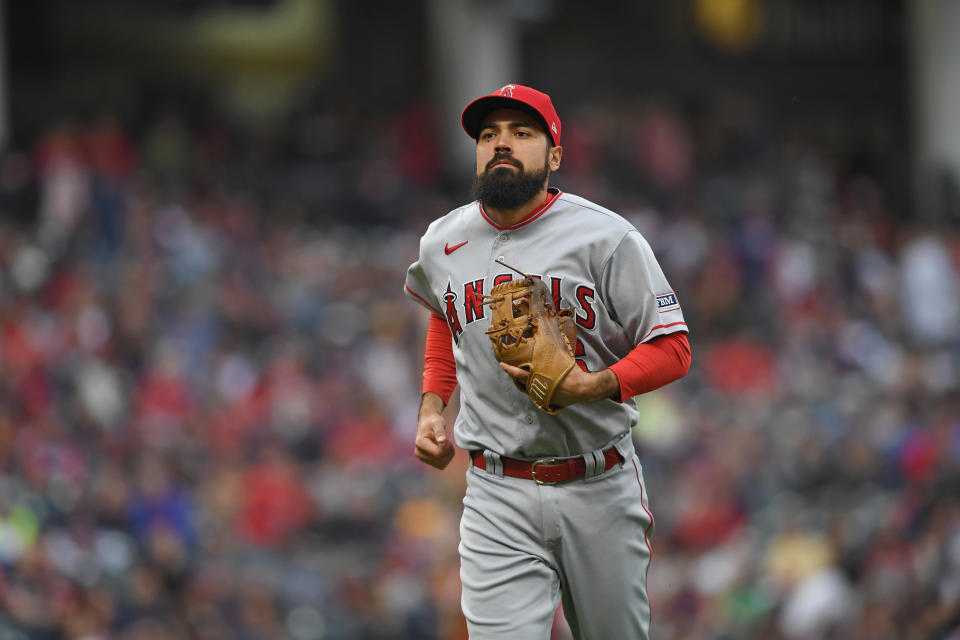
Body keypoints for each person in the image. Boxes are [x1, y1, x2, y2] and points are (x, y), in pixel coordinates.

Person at [403, 83, 692, 639]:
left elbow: (674, 348)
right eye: (489, 135)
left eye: (521, 132)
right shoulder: (442, 242)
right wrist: (433, 407)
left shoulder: (606, 237)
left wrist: (594, 385)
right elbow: (444, 317)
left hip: (598, 481)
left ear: (554, 156)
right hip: (496, 488)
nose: (501, 144)